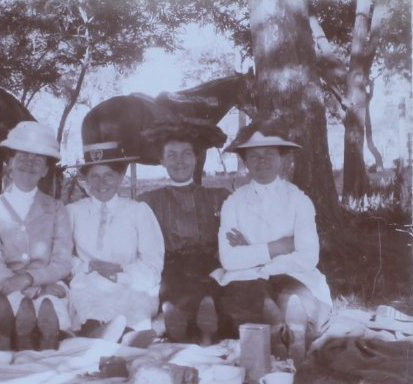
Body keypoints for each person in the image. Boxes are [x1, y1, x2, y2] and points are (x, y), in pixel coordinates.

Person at [212, 122, 333, 360]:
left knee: (301, 300)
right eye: (254, 156)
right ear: (245, 162)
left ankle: (294, 330)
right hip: (247, 278)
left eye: (269, 154)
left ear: (282, 159)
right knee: (246, 297)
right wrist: (279, 246)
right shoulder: (233, 203)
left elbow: (308, 256)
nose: (262, 161)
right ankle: (276, 331)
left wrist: (254, 252)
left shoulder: (299, 200)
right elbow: (229, 259)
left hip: (293, 274)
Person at [0, 121, 72, 351]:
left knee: (52, 309)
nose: (29, 164)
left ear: (46, 170)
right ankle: (17, 339)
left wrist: (32, 280)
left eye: (38, 159)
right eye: (22, 157)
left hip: (48, 284)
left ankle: (47, 341)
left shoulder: (56, 209)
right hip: (7, 285)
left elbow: (62, 262)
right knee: (11, 310)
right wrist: (25, 287)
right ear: (9, 163)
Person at [138, 121, 229, 344]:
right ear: (162, 160)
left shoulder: (219, 197)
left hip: (211, 265)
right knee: (173, 287)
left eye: (186, 153)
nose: (180, 161)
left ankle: (200, 323)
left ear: (197, 158)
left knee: (216, 285)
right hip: (169, 268)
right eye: (172, 155)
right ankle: (176, 321)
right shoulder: (148, 201)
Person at [67, 142, 164, 344]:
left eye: (109, 175)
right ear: (86, 180)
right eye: (94, 176)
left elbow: (153, 262)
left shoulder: (138, 211)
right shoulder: (74, 212)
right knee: (89, 308)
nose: (101, 183)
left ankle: (126, 336)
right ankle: (101, 333)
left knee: (133, 308)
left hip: (130, 284)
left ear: (120, 177)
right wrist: (89, 266)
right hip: (88, 284)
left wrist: (120, 271)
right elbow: (62, 256)